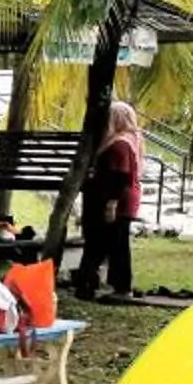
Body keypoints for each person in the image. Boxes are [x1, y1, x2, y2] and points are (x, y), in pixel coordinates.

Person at [77, 100, 143, 301]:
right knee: (116, 242)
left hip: (117, 200)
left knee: (116, 243)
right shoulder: (131, 139)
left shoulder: (119, 144)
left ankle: (120, 286)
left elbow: (120, 175)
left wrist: (111, 204)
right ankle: (117, 284)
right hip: (123, 198)